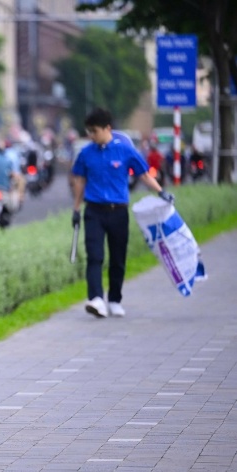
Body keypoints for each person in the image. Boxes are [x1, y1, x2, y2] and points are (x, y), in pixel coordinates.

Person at [71, 107, 172, 319]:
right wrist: (76, 209)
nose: (91, 136)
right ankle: (96, 299)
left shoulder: (125, 151)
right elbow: (79, 181)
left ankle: (115, 300)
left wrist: (161, 192)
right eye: (88, 131)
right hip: (94, 212)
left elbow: (144, 175)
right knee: (94, 256)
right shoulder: (86, 153)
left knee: (118, 258)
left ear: (108, 128)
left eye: (94, 131)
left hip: (118, 212)